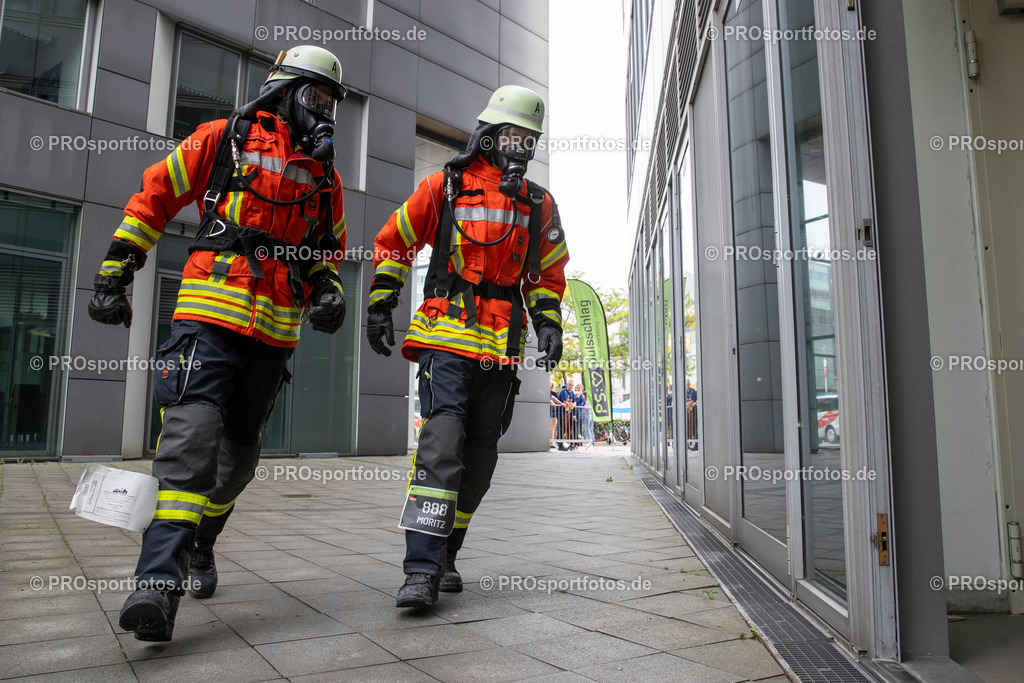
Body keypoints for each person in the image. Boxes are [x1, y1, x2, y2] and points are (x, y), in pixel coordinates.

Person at [87, 46, 349, 641]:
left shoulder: (324, 178)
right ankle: (155, 586)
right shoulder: (224, 139)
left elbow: (325, 252)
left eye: (332, 101)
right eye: (314, 97)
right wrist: (114, 273)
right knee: (189, 447)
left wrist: (328, 292)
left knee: (237, 462)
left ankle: (202, 542)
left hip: (273, 334)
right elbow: (154, 197)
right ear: (282, 94)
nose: (324, 111)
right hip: (207, 320)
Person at [365, 85, 569, 609]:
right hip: (445, 339)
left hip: (501, 347)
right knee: (441, 443)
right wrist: (381, 301)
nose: (520, 146)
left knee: (479, 456)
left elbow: (548, 274)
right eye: (512, 135)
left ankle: (448, 552)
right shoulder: (446, 186)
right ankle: (420, 569)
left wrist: (549, 322)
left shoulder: (539, 203)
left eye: (530, 138)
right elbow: (394, 241)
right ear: (488, 135)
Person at [549, 380, 561, 446]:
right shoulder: (551, 392)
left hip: (552, 410)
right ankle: (551, 442)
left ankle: (552, 442)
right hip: (552, 410)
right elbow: (551, 399)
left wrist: (560, 403)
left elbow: (552, 398)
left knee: (553, 427)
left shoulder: (550, 393)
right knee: (552, 427)